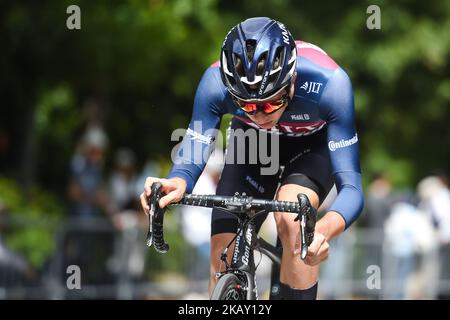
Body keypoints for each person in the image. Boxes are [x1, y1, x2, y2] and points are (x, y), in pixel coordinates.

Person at [140, 17, 364, 300]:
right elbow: (194, 148)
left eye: (271, 102)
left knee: (292, 222)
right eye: (245, 105)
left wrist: (322, 229)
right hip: (254, 142)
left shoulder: (331, 85)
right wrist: (177, 180)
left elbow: (352, 188)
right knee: (222, 254)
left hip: (312, 146)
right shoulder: (215, 81)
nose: (259, 114)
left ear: (292, 79)